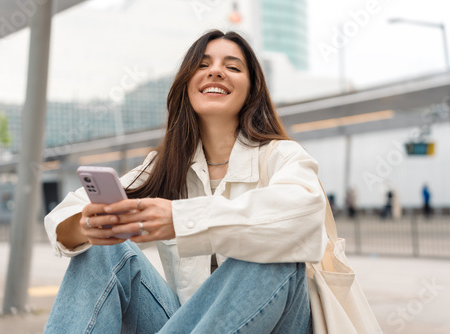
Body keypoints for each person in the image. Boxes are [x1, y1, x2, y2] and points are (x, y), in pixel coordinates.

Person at [43, 30, 327, 333]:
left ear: (252, 90)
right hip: (186, 323)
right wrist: (87, 225)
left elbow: (304, 217)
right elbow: (65, 215)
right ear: (187, 85)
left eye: (232, 67)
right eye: (203, 65)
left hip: (277, 323)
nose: (216, 71)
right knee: (102, 247)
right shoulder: (166, 166)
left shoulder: (281, 156)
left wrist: (182, 219)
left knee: (273, 249)